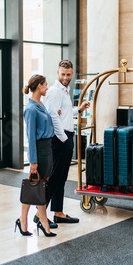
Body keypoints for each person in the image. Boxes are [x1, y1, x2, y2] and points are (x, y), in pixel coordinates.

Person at [43, 60, 90, 226]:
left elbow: (64, 113)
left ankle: (58, 213)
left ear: (72, 73)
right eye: (62, 74)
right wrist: (64, 139)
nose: (65, 77)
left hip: (65, 136)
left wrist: (80, 109)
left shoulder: (64, 91)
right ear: (57, 73)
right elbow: (53, 116)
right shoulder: (55, 91)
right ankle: (40, 215)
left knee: (61, 177)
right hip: (60, 138)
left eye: (68, 74)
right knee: (55, 177)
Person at [18, 74, 56, 237]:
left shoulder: (40, 104)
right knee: (36, 184)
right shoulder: (31, 109)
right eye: (45, 85)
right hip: (39, 150)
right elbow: (30, 137)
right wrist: (32, 161)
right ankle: (39, 220)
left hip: (47, 149)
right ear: (39, 86)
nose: (47, 88)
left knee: (40, 186)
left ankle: (27, 219)